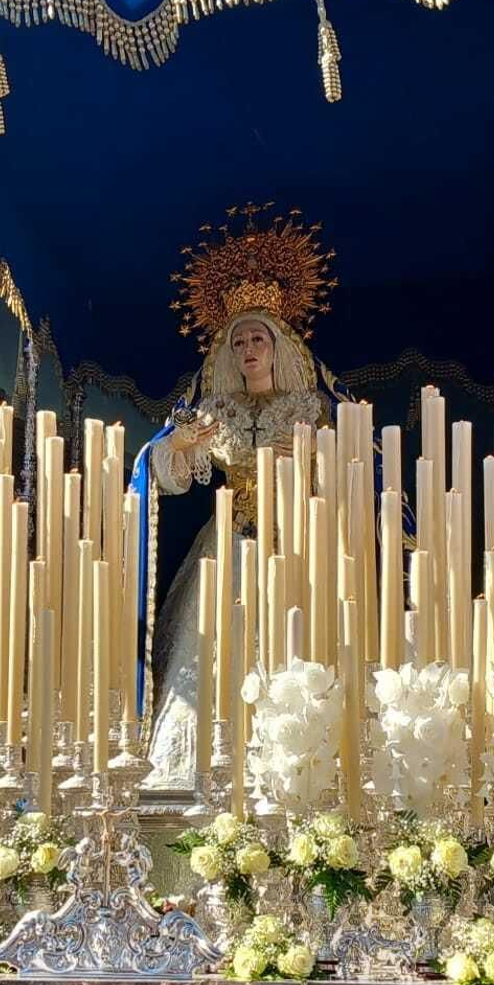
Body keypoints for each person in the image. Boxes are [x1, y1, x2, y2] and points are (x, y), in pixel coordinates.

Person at [143, 206, 336, 790]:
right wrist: (179, 442)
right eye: (240, 340)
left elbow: (352, 476)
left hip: (293, 545)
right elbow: (167, 474)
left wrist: (307, 461)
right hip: (227, 545)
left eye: (260, 338)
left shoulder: (312, 410)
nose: (250, 348)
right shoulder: (212, 411)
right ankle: (193, 770)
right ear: (227, 352)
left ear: (280, 346)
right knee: (208, 658)